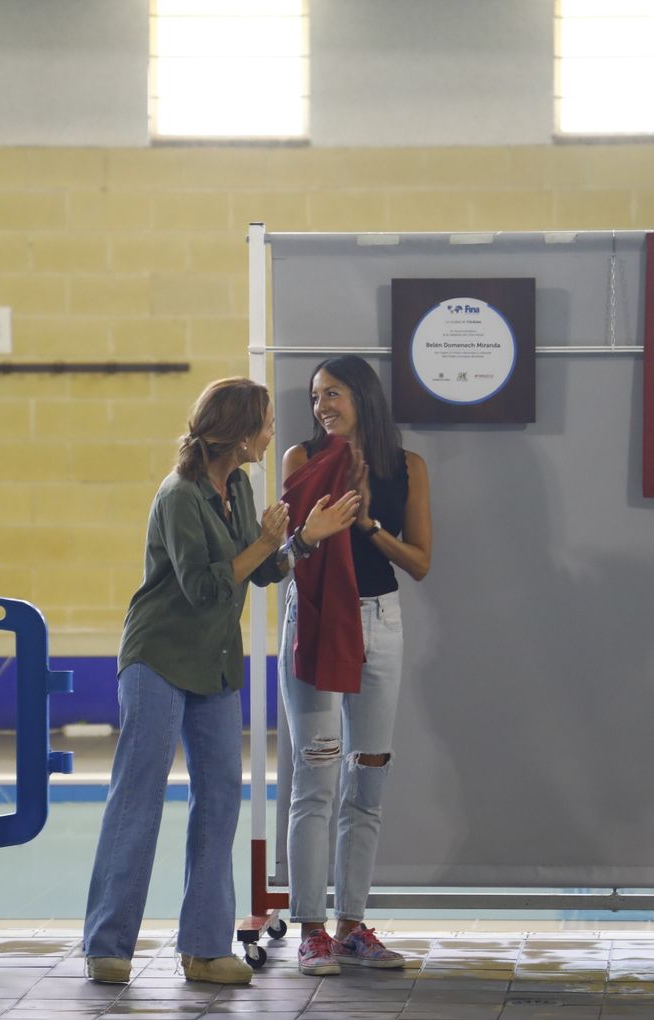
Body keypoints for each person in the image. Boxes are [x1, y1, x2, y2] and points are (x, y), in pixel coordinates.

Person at [82, 377, 358, 986]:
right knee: (139, 798)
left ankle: (205, 948)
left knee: (219, 804)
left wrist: (303, 539)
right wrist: (263, 540)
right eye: (263, 422)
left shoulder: (236, 483)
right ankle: (108, 945)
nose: (271, 432)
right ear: (235, 432)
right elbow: (205, 587)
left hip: (214, 663)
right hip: (157, 657)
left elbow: (257, 574)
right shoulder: (180, 494)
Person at [279, 355, 432, 976]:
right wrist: (324, 525)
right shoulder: (299, 458)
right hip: (317, 618)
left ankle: (352, 927)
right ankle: (311, 929)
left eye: (334, 394)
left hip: (381, 620)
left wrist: (367, 524)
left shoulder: (407, 466)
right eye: (317, 397)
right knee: (315, 778)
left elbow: (420, 561)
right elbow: (291, 554)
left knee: (367, 779)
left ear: (362, 397)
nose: (323, 406)